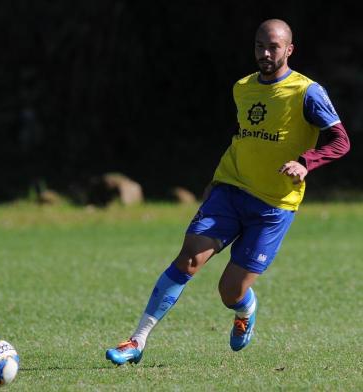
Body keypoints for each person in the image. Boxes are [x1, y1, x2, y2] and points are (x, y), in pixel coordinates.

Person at [106, 18, 350, 365]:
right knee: (189, 258)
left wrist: (306, 162)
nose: (265, 53)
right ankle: (137, 341)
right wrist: (218, 178)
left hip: (273, 206)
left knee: (229, 290)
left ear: (289, 49)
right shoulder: (242, 88)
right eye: (259, 46)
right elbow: (244, 139)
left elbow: (341, 141)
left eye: (273, 47)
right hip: (231, 191)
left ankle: (245, 309)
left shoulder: (306, 92)